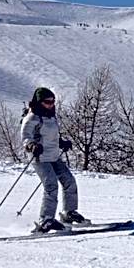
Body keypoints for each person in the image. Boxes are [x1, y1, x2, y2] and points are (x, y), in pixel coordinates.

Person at [19, 87, 89, 232]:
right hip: (39, 157)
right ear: (39, 102)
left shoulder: (51, 116)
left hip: (54, 155)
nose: (51, 104)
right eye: (47, 102)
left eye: (52, 101)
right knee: (51, 186)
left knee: (69, 181)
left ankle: (68, 213)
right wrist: (31, 145)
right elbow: (26, 137)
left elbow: (52, 135)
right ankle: (46, 220)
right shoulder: (32, 118)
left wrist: (61, 142)